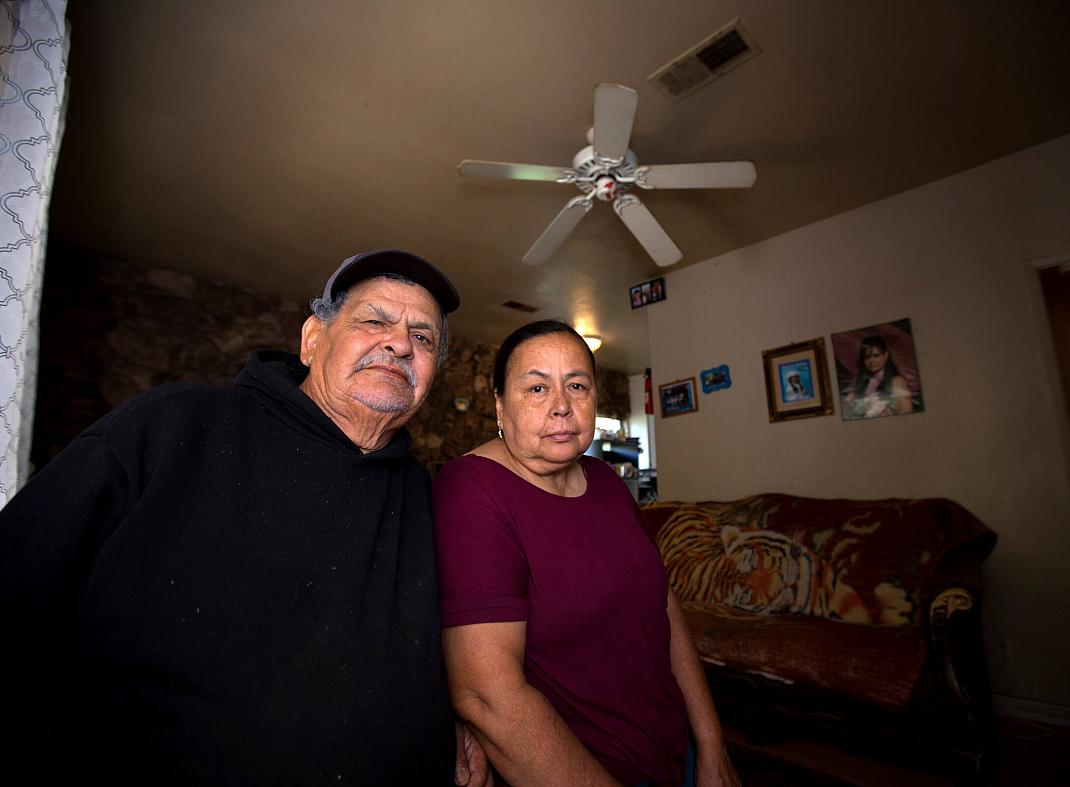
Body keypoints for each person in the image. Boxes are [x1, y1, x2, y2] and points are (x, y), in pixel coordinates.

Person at [0, 249, 490, 785]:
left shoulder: (426, 496)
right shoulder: (172, 427)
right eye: (374, 321)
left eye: (422, 338)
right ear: (311, 339)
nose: (399, 344)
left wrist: (453, 716)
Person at [433, 320, 740, 786]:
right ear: (499, 405)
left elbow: (662, 606)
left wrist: (711, 742)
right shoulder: (471, 490)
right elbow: (487, 695)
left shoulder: (607, 482)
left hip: (676, 755)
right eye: (537, 388)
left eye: (576, 385)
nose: (561, 406)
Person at [843, 334, 914, 418]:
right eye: (867, 357)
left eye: (876, 355)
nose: (871, 360)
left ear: (886, 355)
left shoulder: (896, 381)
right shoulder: (861, 382)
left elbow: (907, 411)